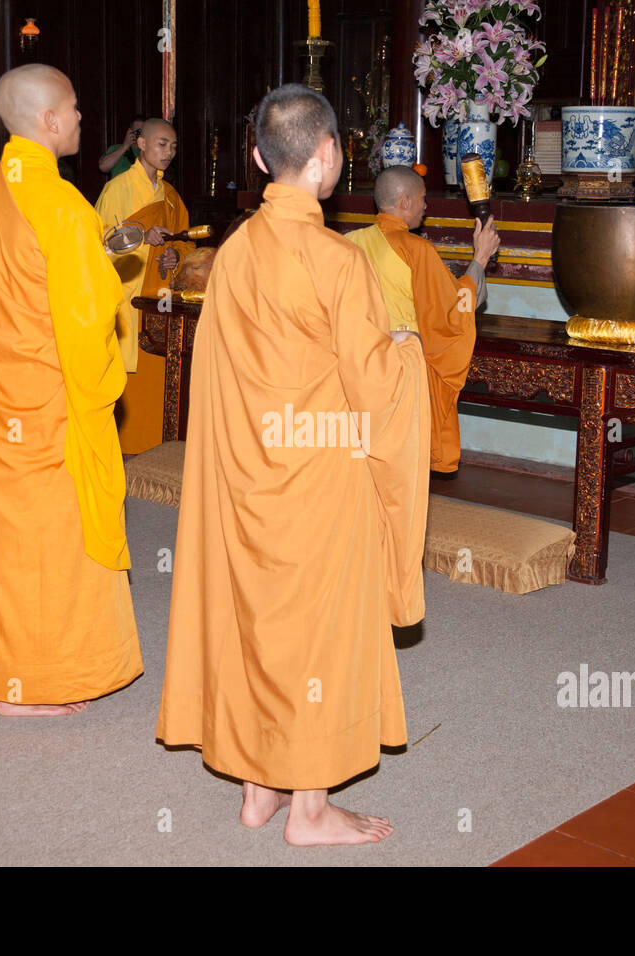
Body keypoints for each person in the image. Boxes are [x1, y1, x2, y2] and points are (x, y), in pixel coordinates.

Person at [157, 84, 430, 845]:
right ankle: (310, 808)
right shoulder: (337, 261)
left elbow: (219, 374)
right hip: (318, 474)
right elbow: (371, 382)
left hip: (246, 472)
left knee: (257, 622)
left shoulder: (234, 251)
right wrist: (404, 358)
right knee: (315, 633)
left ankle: (258, 787)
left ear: (255, 157)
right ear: (328, 158)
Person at [0, 64, 142, 717]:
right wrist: (103, 385)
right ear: (49, 120)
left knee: (0, 538)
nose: (81, 118)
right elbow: (82, 327)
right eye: (74, 108)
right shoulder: (61, 205)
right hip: (47, 405)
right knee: (52, 544)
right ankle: (36, 684)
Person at [346, 166, 499, 478]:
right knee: (401, 465)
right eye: (422, 199)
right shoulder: (416, 249)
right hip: (402, 369)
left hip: (357, 366)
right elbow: (457, 308)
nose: (425, 206)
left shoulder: (349, 242)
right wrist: (480, 258)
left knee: (364, 457)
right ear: (404, 203)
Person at [95, 117, 192, 453]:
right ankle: (121, 450)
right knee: (126, 372)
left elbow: (184, 241)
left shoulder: (169, 196)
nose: (169, 151)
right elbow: (101, 246)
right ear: (142, 144)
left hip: (159, 299)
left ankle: (154, 449)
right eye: (162, 144)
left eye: (174, 145)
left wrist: (173, 257)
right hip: (127, 299)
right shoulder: (117, 189)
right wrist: (140, 237)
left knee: (158, 373)